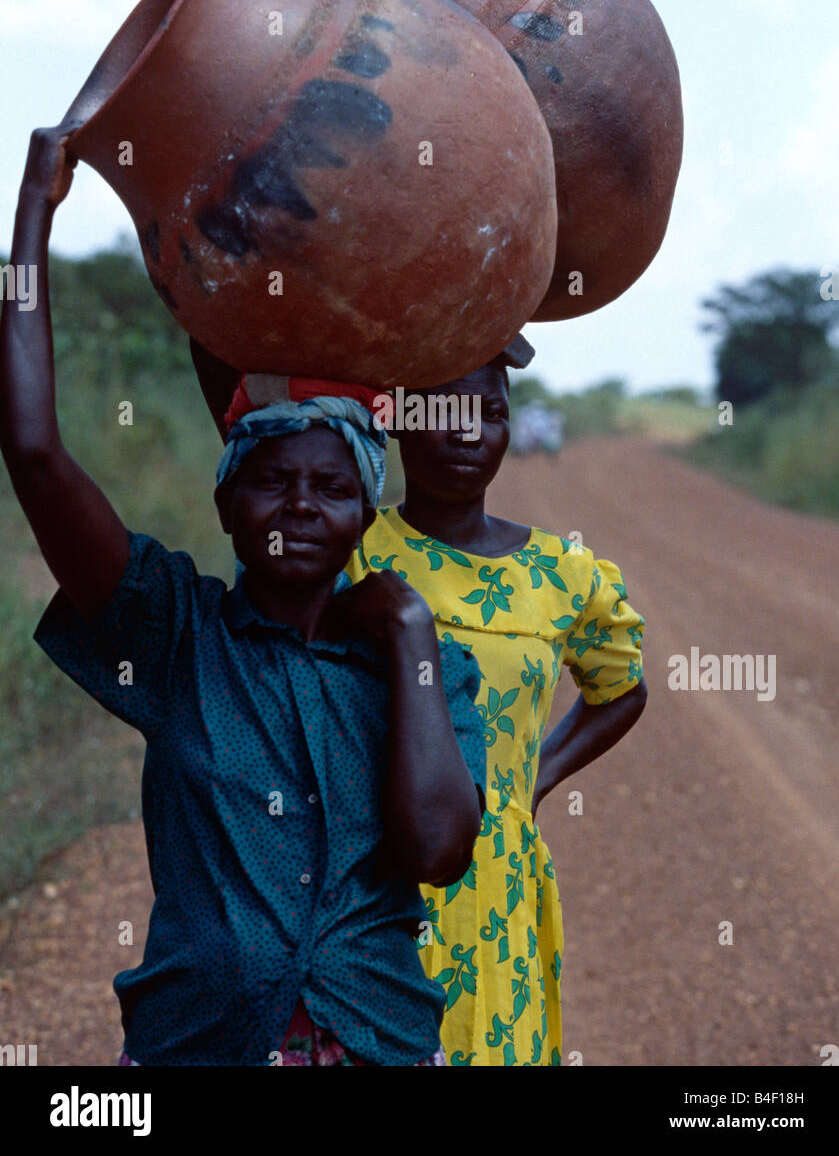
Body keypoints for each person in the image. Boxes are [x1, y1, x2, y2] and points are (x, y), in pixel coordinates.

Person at [0, 127, 486, 1067]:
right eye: (272, 479)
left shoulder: (426, 670)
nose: (300, 504)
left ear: (363, 513)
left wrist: (411, 631)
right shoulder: (175, 631)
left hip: (375, 1043)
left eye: (333, 486)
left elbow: (437, 850)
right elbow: (32, 451)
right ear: (226, 501)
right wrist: (32, 213)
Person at [191, 338, 648, 1068]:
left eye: (492, 414)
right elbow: (258, 445)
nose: (469, 432)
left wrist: (535, 775)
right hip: (368, 875)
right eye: (445, 410)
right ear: (395, 421)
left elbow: (621, 688)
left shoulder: (565, 575)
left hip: (497, 881)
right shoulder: (351, 539)